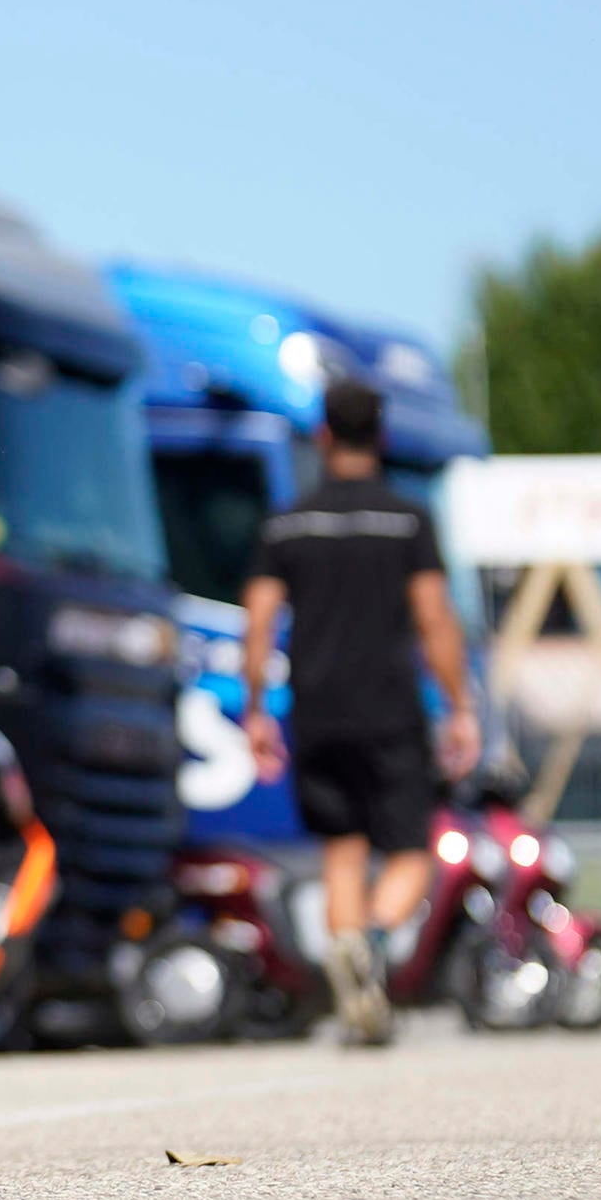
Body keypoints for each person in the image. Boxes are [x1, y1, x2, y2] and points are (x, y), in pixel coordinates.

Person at [238, 378, 482, 1045]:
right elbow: (435, 619)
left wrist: (257, 710)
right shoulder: (406, 521)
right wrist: (461, 706)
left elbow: (257, 625)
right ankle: (369, 943)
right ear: (379, 438)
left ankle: (352, 977)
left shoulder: (286, 524)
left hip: (315, 712)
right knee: (411, 854)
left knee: (340, 851)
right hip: (389, 710)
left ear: (322, 436)